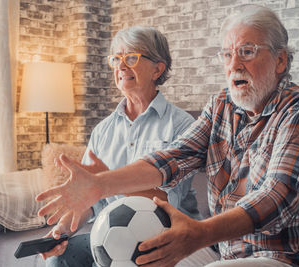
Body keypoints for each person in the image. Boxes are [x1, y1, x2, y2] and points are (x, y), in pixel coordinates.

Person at [37, 5, 299, 267]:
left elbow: (276, 201)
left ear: (280, 61)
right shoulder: (221, 105)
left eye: (247, 52)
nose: (234, 64)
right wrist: (99, 185)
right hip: (226, 255)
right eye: (227, 54)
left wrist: (199, 233)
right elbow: (173, 158)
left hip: (290, 258)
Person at [41, 26, 202, 267]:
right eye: (116, 59)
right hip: (109, 234)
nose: (121, 66)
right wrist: (63, 229)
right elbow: (91, 202)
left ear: (158, 69)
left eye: (131, 58)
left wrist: (104, 183)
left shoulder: (182, 125)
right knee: (58, 259)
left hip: (166, 235)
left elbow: (166, 204)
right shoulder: (103, 131)